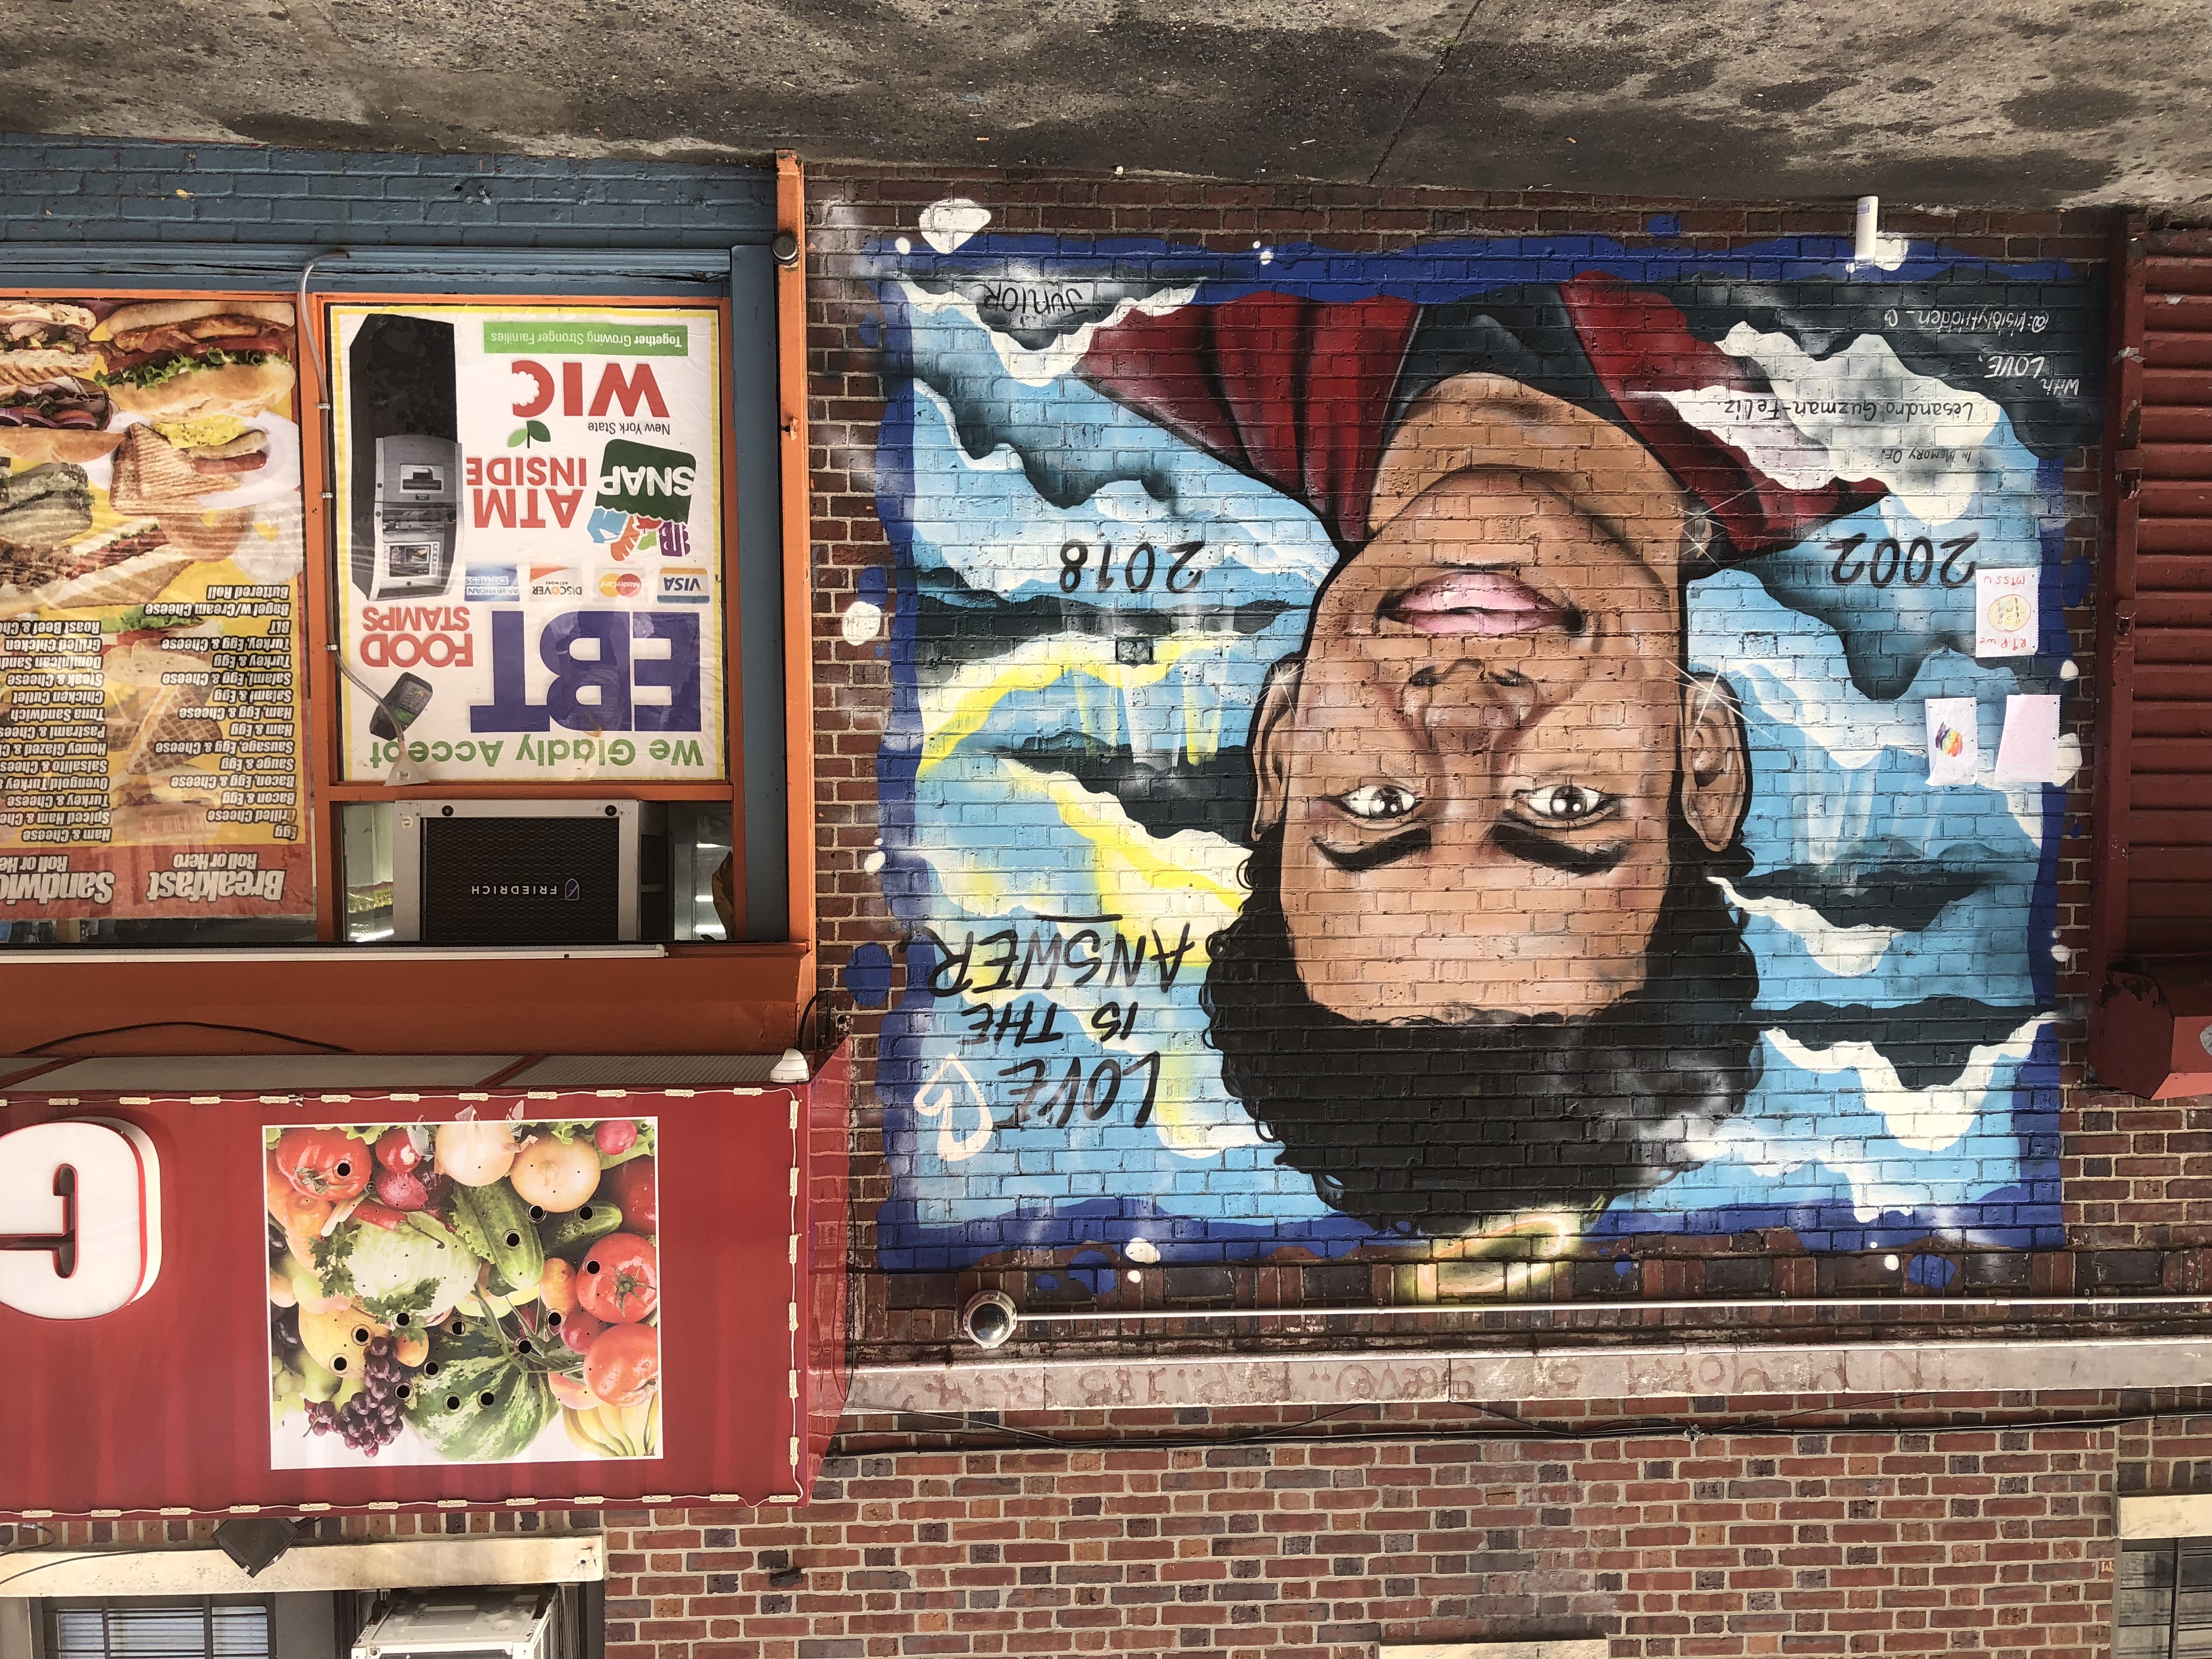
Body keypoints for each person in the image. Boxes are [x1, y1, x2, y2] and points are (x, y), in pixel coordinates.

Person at [1195, 371, 1764, 1233]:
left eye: (1379, 801)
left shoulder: (1152, 342)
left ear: (1280, 740)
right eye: (1566, 803)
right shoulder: (1870, 395)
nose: (1464, 718)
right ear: (1704, 761)